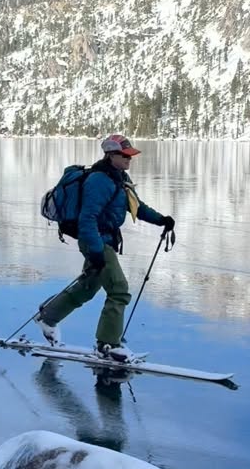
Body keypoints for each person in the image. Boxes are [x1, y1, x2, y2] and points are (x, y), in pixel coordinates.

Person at [36, 134, 175, 362]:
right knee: (119, 289)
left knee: (88, 287)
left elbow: (136, 206)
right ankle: (108, 345)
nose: (130, 158)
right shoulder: (100, 181)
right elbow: (87, 219)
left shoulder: (119, 177)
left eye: (130, 155)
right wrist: (96, 251)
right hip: (97, 241)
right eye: (125, 155)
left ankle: (48, 317)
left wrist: (162, 220)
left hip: (105, 240)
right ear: (111, 155)